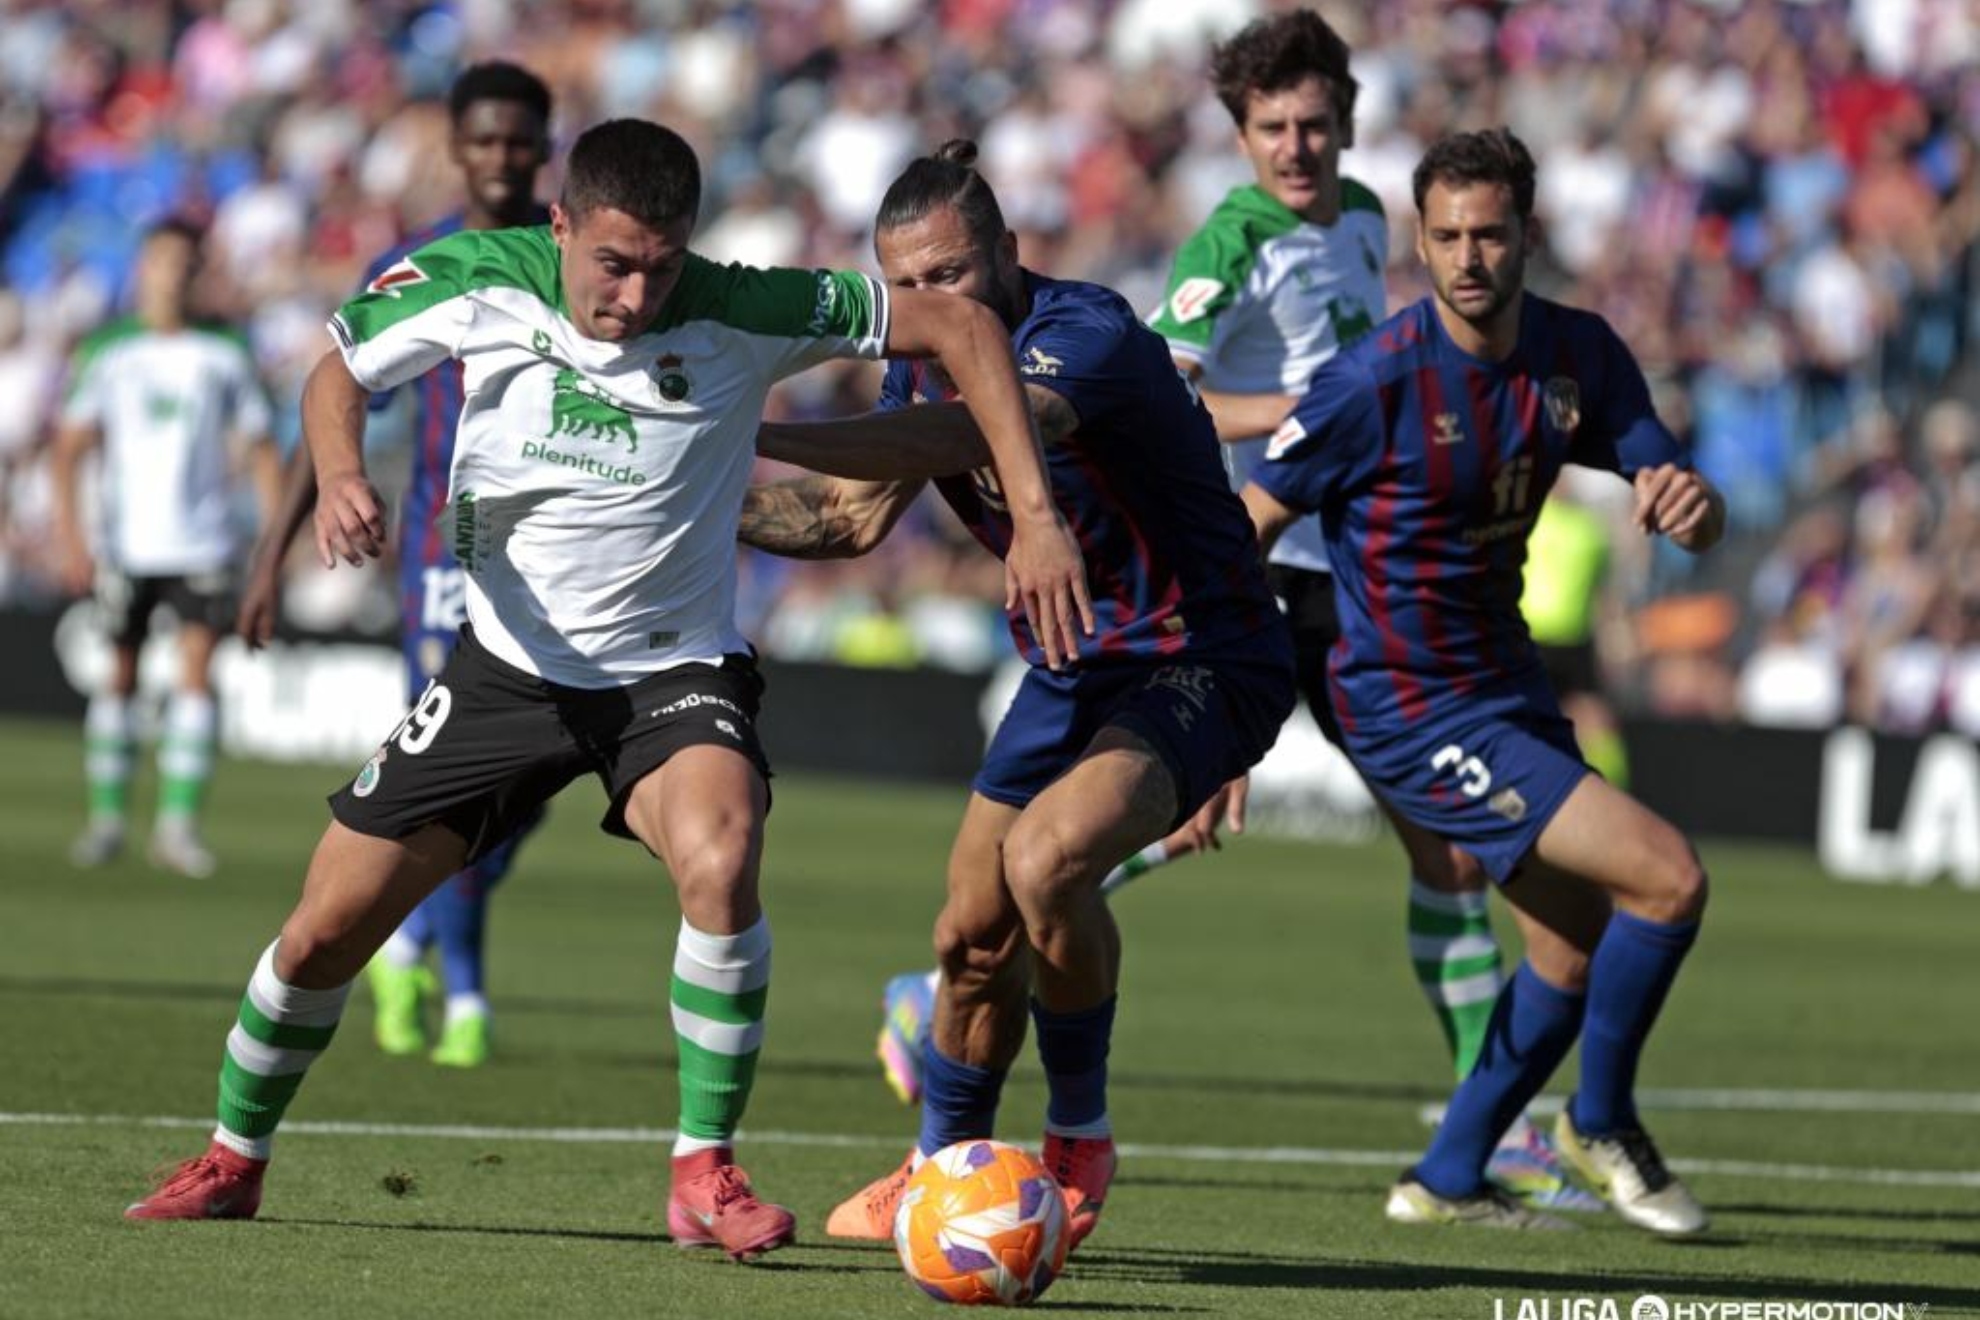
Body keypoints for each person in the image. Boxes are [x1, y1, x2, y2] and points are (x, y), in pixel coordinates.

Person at [123, 118, 1092, 1263]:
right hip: (504, 672)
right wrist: (341, 477)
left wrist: (1033, 518)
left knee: (722, 854)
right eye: (613, 265)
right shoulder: (476, 280)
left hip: (670, 672)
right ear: (562, 227)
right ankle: (233, 1161)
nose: (635, 296)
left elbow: (962, 322)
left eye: (662, 267)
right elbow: (339, 370)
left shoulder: (743, 304)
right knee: (325, 930)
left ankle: (703, 1172)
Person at [737, 141, 1296, 1253]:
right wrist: (693, 501)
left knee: (1045, 861)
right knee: (969, 939)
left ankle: (1078, 1134)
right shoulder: (918, 362)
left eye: (951, 276)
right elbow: (846, 520)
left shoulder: (1082, 339)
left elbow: (974, 429)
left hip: (1204, 654)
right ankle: (938, 1169)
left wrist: (739, 431)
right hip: (1072, 660)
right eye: (909, 288)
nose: (931, 304)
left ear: (1007, 251)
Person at [1242, 127, 1723, 1234]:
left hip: (1503, 683)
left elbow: (1671, 477)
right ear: (1422, 239)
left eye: (1490, 235)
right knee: (1668, 878)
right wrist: (1227, 709)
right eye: (1447, 235)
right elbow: (1246, 527)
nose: (1468, 257)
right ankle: (1601, 1121)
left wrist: (1691, 500)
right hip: (1407, 705)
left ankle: (1448, 1176)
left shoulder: (1579, 356)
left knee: (1569, 941)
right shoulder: (1371, 383)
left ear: (1527, 237)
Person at [1150, 9, 1591, 1206]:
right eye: (1272, 128)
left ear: (1346, 124)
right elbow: (1157, 395)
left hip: (1352, 577)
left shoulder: (1357, 217)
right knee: (1167, 814)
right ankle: (947, 990)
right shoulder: (1225, 243)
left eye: (1314, 125)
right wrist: (1306, 409)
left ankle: (1485, 1117)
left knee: (1444, 844)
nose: (1296, 147)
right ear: (1239, 135)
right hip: (1259, 566)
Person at [236, 61, 555, 1070]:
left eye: (520, 140)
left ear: (544, 148)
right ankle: (462, 992)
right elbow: (340, 391)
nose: (503, 157)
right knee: (462, 775)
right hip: (446, 555)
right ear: (456, 148)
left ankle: (411, 934)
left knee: (535, 786)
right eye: (486, 139)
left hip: (561, 555)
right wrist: (271, 552)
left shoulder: (579, 253)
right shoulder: (419, 261)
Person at [51, 218, 279, 878]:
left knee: (195, 678)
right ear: (142, 268)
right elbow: (69, 450)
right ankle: (107, 821)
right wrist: (72, 536)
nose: (172, 274)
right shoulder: (110, 350)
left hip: (203, 539)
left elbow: (262, 448)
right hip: (126, 542)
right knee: (118, 676)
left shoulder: (227, 351)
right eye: (161, 261)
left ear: (198, 271)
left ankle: (178, 829)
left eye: (185, 263)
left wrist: (269, 542)